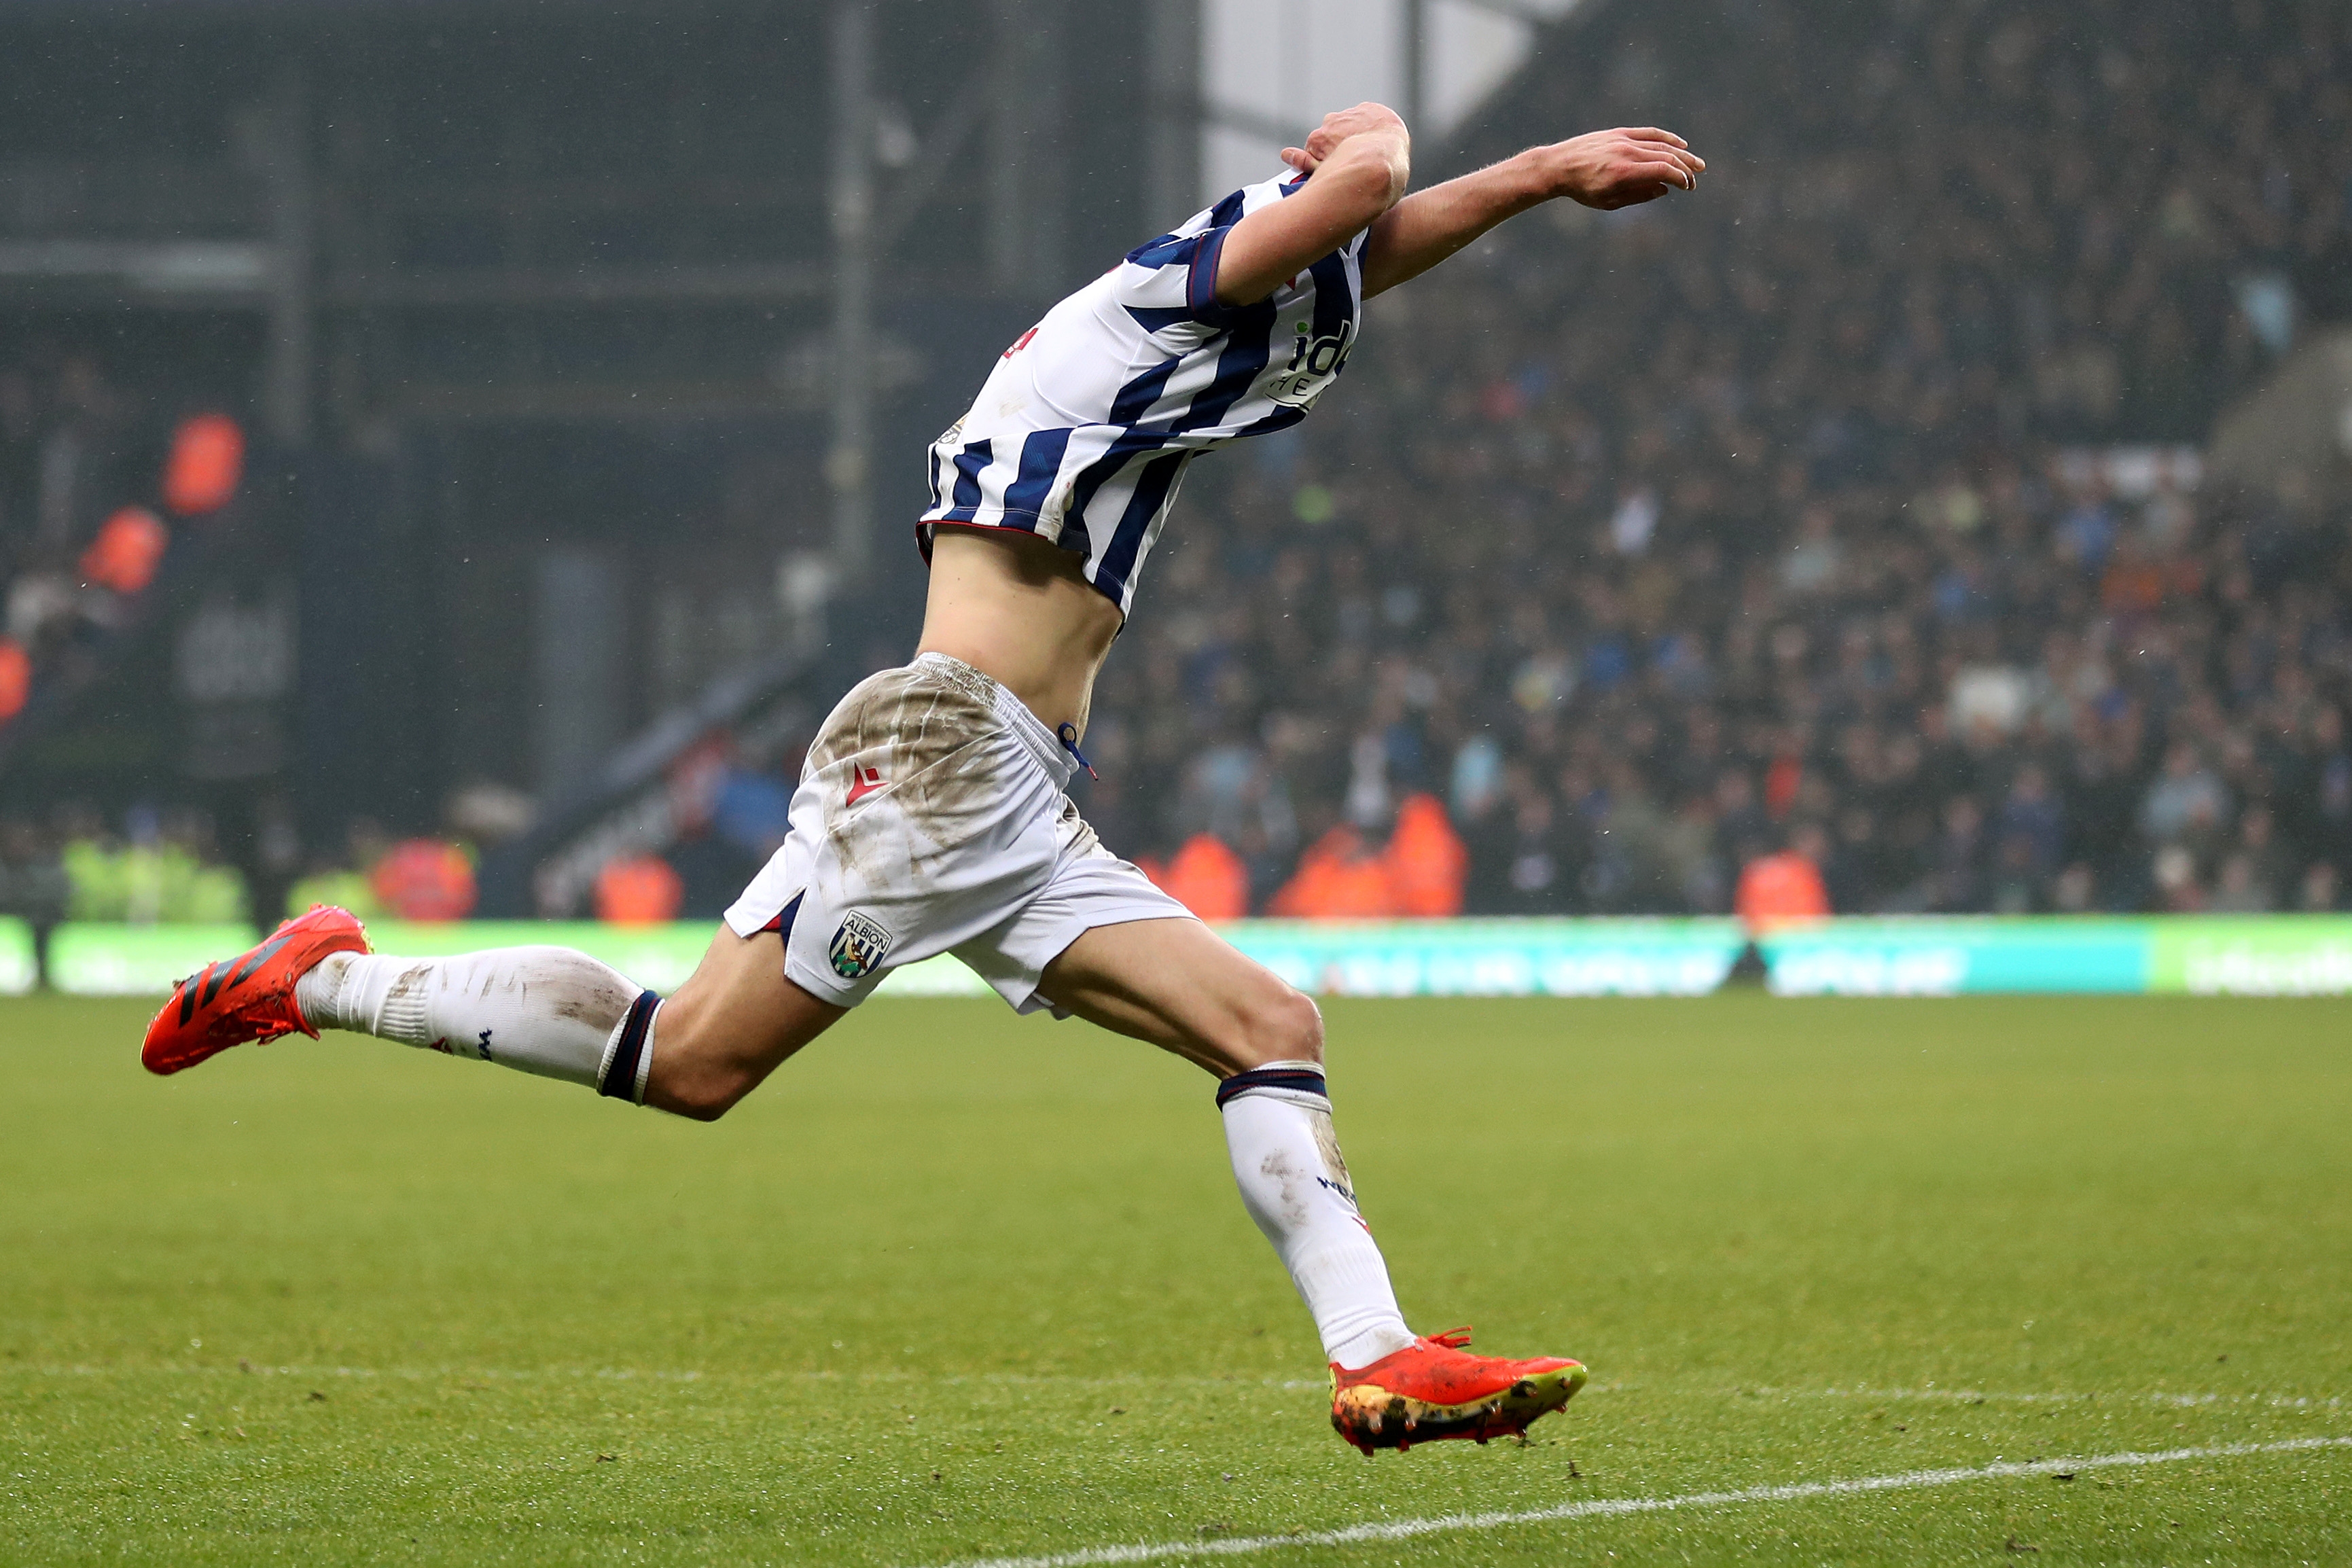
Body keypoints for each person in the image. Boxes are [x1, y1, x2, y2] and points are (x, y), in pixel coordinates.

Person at [141, 103, 1705, 1455]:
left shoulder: (1169, 327)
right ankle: (324, 980)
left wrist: (1544, 173)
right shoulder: (1148, 296)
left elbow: (1361, 249)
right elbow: (1360, 199)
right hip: (948, 755)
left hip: (1009, 786)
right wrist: (1373, 135)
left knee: (1267, 1025)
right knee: (692, 1060)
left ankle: (1379, 1354)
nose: (1310, 277)